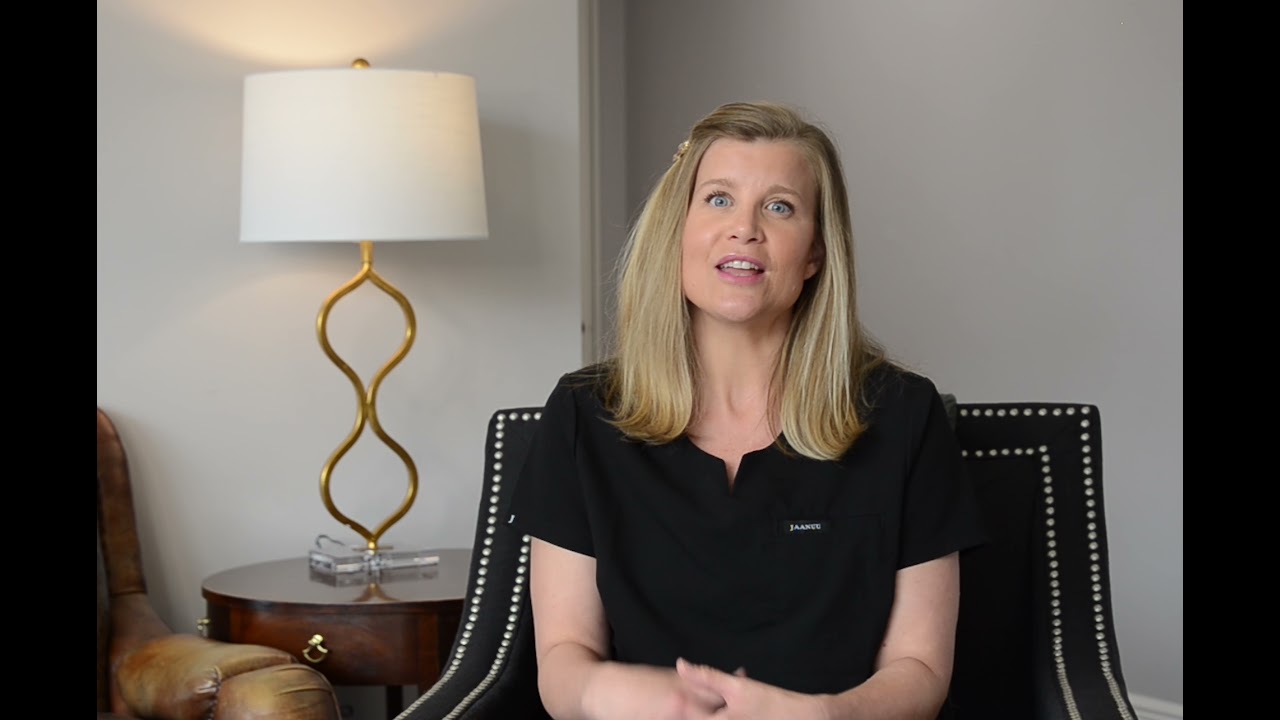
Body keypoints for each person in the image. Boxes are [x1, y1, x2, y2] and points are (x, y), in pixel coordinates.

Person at [508, 101, 985, 720]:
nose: (745, 228)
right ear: (676, 231)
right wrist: (612, 693)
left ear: (815, 253)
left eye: (780, 207)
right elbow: (563, 656)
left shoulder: (903, 415)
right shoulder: (582, 414)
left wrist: (822, 716)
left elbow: (920, 669)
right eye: (718, 199)